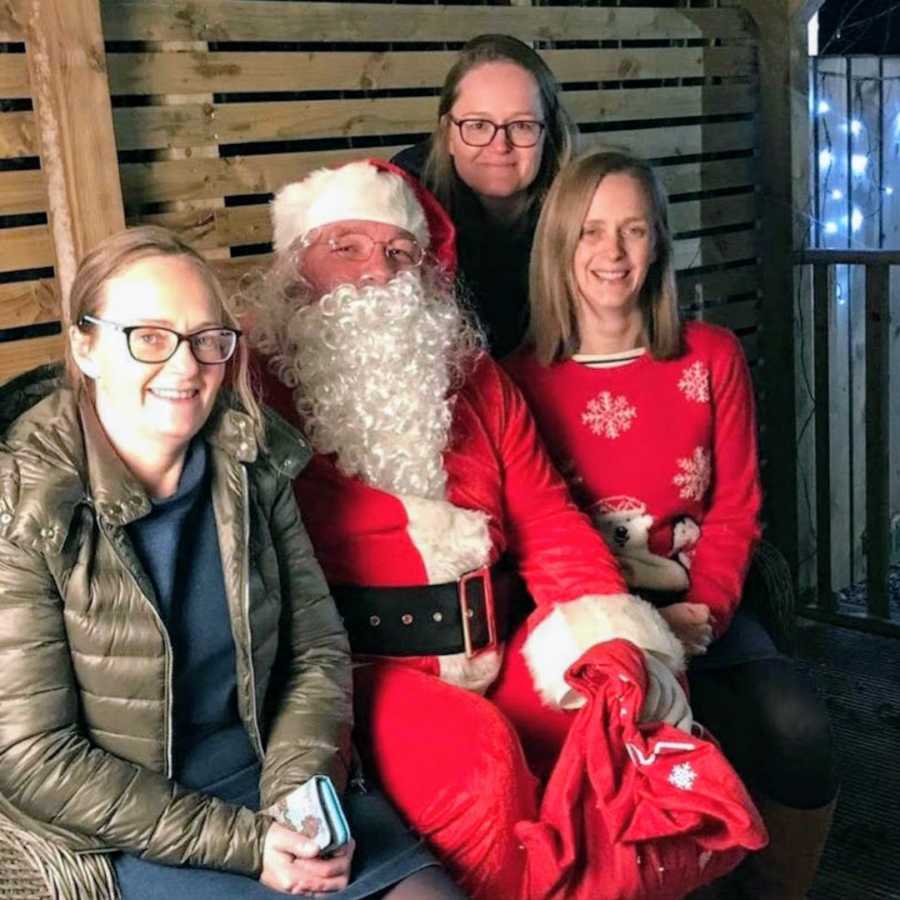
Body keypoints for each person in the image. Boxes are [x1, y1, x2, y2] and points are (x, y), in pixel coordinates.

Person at [250, 158, 767, 899]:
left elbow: (550, 520)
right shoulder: (257, 387)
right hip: (360, 677)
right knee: (481, 761)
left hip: (491, 648)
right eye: (347, 247)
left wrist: (607, 633)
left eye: (400, 253)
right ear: (296, 262)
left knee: (615, 688)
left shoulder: (476, 382)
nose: (377, 273)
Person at [0, 226, 463, 899]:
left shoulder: (253, 459)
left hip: (267, 768)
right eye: (150, 337)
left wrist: (297, 800)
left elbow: (316, 652)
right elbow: (32, 756)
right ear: (87, 346)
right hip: (127, 815)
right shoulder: (23, 502)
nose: (186, 368)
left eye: (206, 340)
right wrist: (248, 846)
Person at [502, 149, 840, 900]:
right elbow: (528, 531)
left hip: (698, 607)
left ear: (659, 242)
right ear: (560, 244)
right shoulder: (520, 380)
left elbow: (738, 506)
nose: (612, 253)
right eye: (590, 231)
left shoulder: (710, 357)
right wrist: (617, 636)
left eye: (633, 230)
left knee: (798, 725)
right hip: (589, 630)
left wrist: (707, 612)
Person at [392, 33, 576, 357]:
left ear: (549, 134)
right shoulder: (408, 195)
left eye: (521, 125)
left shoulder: (584, 203)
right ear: (448, 134)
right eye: (478, 125)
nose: (500, 145)